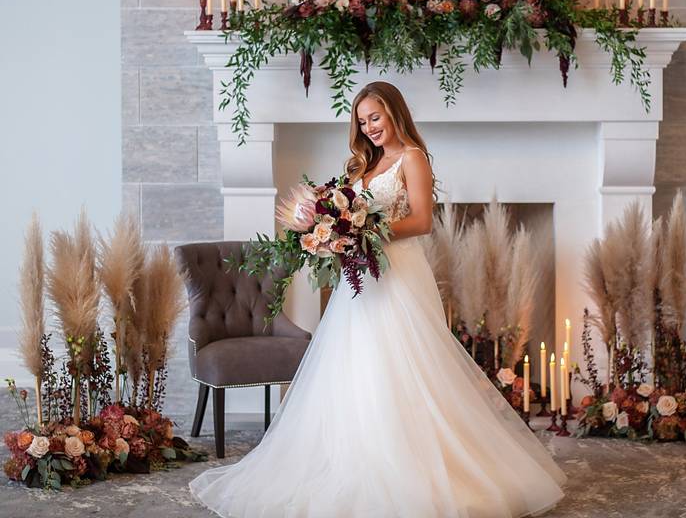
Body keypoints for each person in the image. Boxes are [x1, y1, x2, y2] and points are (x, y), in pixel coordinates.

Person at [189, 80, 566, 517]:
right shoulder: (360, 166)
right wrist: (330, 231)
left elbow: (423, 220)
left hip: (400, 274)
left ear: (394, 114)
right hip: (361, 280)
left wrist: (362, 230)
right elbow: (346, 215)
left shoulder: (413, 158)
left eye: (376, 118)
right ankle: (356, 455)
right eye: (362, 120)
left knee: (403, 362)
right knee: (357, 364)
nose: (369, 127)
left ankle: (413, 466)